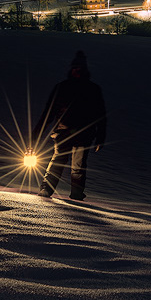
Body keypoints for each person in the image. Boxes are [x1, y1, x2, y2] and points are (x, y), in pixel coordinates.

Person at [32, 50, 107, 200]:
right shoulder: (81, 88)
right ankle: (49, 190)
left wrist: (100, 136)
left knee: (73, 164)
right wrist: (37, 133)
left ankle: (70, 193)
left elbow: (100, 115)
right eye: (75, 68)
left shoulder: (72, 87)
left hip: (78, 133)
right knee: (63, 162)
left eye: (79, 68)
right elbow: (49, 112)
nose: (77, 71)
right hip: (70, 132)